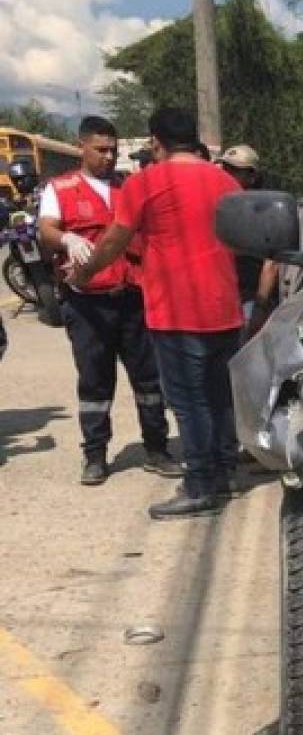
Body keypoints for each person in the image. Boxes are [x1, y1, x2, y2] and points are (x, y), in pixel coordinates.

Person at [70, 107, 243, 519]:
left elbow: (114, 240)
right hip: (225, 308)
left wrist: (84, 273)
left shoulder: (145, 182)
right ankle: (225, 472)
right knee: (220, 398)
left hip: (177, 312)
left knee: (189, 403)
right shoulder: (227, 181)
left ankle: (199, 486)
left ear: (156, 142)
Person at [37, 115, 181, 486]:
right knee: (95, 382)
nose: (109, 157)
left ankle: (157, 449)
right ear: (81, 147)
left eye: (113, 150)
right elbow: (46, 228)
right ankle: (95, 455)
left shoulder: (128, 186)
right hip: (87, 303)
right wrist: (67, 239)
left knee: (149, 380)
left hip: (132, 297)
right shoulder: (61, 188)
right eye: (101, 149)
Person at [218, 144, 278, 338]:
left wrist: (260, 306)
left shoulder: (265, 211)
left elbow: (271, 263)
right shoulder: (222, 207)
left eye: (234, 171)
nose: (226, 175)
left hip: (250, 298)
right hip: (220, 300)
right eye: (225, 169)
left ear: (252, 177)